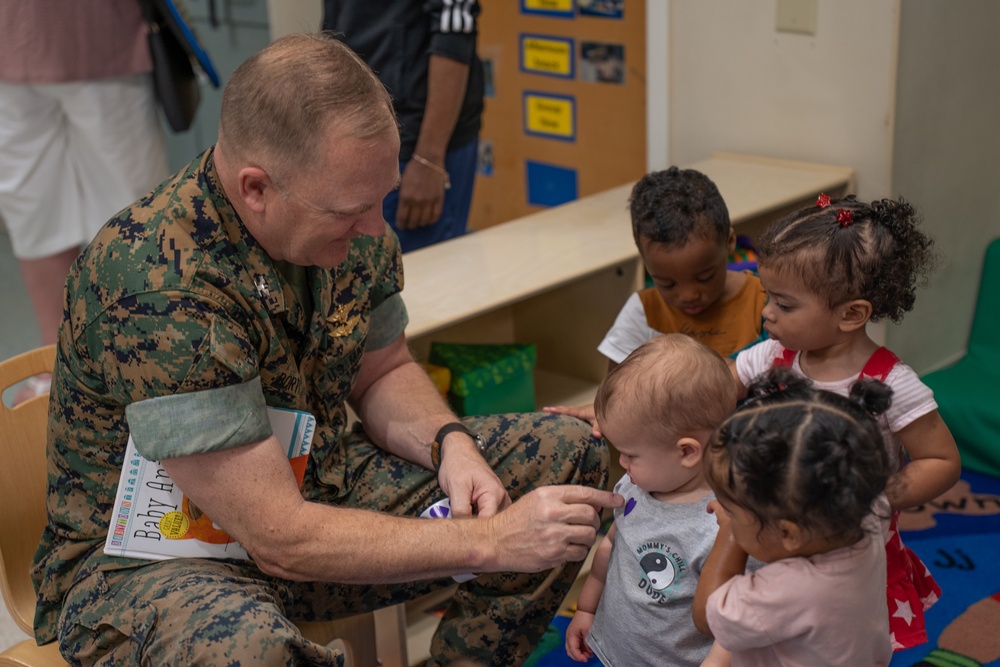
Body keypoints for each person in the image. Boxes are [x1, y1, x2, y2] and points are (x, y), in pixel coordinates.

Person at [31, 33, 618, 667]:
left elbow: (383, 369)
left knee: (565, 461)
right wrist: (489, 542)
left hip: (316, 490)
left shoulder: (343, 221)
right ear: (256, 188)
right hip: (156, 559)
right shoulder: (154, 281)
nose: (374, 227)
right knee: (251, 651)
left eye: (381, 198)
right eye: (353, 209)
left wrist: (451, 442)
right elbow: (280, 537)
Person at [731, 194, 962, 651]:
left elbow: (940, 459)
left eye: (784, 304)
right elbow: (712, 389)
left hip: (848, 554)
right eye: (766, 297)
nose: (766, 313)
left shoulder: (890, 382)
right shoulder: (772, 356)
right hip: (774, 536)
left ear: (851, 314)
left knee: (843, 647)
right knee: (772, 638)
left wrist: (878, 497)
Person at [0, 0, 168, 393]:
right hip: (8, 40)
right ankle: (54, 371)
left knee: (136, 224)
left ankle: (148, 371)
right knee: (35, 217)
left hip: (101, 36)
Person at [692, 368, 895, 666]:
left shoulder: (788, 590)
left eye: (732, 509)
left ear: (789, 533)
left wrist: (729, 533)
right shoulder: (866, 510)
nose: (724, 510)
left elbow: (706, 614)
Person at [544, 167, 767, 436]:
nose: (688, 295)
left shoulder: (764, 300)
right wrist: (608, 409)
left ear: (730, 241)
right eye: (667, 283)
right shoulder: (643, 312)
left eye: (705, 276)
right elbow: (617, 390)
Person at [564, 334, 737, 667]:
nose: (623, 464)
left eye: (630, 454)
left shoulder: (724, 526)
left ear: (687, 452)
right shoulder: (634, 487)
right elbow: (610, 548)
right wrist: (587, 609)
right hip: (613, 650)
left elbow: (735, 625)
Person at [322, 0, 484, 253]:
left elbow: (454, 28)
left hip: (417, 145)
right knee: (362, 276)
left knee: (425, 280)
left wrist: (428, 161)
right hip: (355, 132)